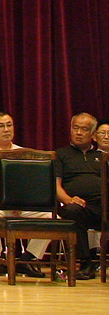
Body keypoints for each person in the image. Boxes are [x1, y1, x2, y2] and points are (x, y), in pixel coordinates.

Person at [0, 112, 47, 277]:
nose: (6, 129)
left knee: (50, 218)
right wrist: (6, 201)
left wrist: (19, 203)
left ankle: (26, 260)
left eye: (9, 125)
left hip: (21, 205)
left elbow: (30, 184)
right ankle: (1, 259)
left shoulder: (23, 152)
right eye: (1, 126)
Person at [55, 112, 102, 280]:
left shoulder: (101, 156)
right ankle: (86, 263)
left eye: (84, 129)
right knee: (72, 211)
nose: (79, 133)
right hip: (77, 206)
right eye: (75, 128)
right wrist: (69, 200)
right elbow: (55, 186)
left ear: (93, 134)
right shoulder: (61, 154)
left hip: (102, 205)